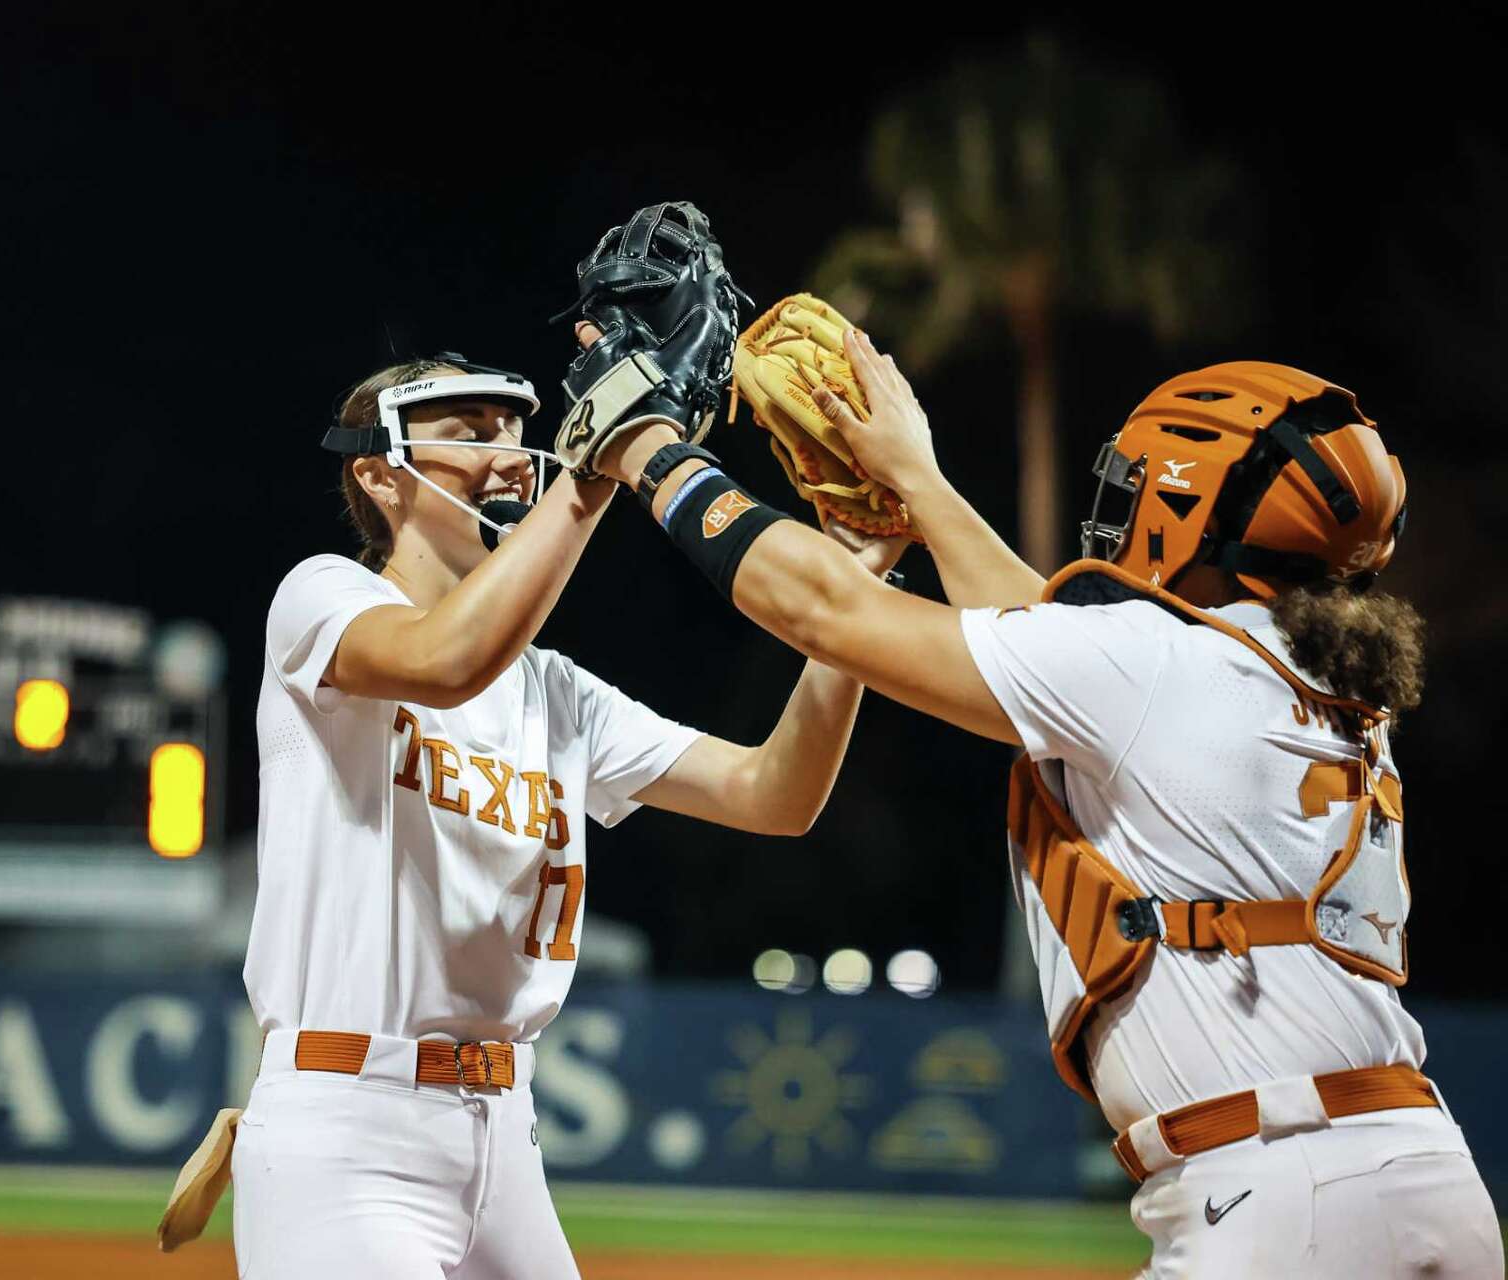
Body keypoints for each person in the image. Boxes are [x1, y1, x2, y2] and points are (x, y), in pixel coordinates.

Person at [575, 322, 1502, 1278]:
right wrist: (921, 489)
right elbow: (1045, 638)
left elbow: (822, 609)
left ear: (1191, 507)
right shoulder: (1299, 678)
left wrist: (644, 443)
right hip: (1411, 1177)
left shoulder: (1162, 670)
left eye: (1145, 486)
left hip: (1281, 1196)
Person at [235, 351, 902, 1279]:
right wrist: (593, 478)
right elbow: (444, 659)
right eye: (469, 436)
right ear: (379, 476)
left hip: (505, 1136)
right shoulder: (325, 596)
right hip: (351, 1125)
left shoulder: (553, 694)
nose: (510, 455)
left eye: (514, 431)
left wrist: (859, 603)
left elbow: (776, 794)